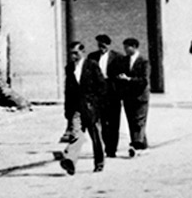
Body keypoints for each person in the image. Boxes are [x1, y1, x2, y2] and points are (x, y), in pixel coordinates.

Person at [57, 40, 107, 174]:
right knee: (77, 135)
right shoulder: (69, 68)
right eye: (71, 53)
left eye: (76, 53)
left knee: (96, 137)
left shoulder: (92, 65)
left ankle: (99, 162)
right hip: (76, 108)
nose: (73, 56)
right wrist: (68, 111)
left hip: (91, 108)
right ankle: (70, 161)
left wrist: (97, 105)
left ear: (83, 52)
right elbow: (68, 90)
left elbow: (102, 86)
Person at [85, 33, 123, 158]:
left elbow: (121, 75)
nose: (102, 47)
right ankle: (104, 146)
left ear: (108, 45)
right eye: (100, 44)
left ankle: (112, 149)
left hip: (112, 92)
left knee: (113, 122)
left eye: (104, 44)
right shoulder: (92, 57)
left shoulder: (117, 57)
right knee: (100, 121)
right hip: (98, 93)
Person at [116, 37, 150, 155]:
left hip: (140, 96)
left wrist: (129, 79)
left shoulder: (143, 61)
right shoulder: (125, 60)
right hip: (128, 96)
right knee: (131, 121)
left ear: (134, 47)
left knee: (139, 121)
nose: (125, 50)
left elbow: (144, 80)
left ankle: (136, 146)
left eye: (127, 47)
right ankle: (143, 145)